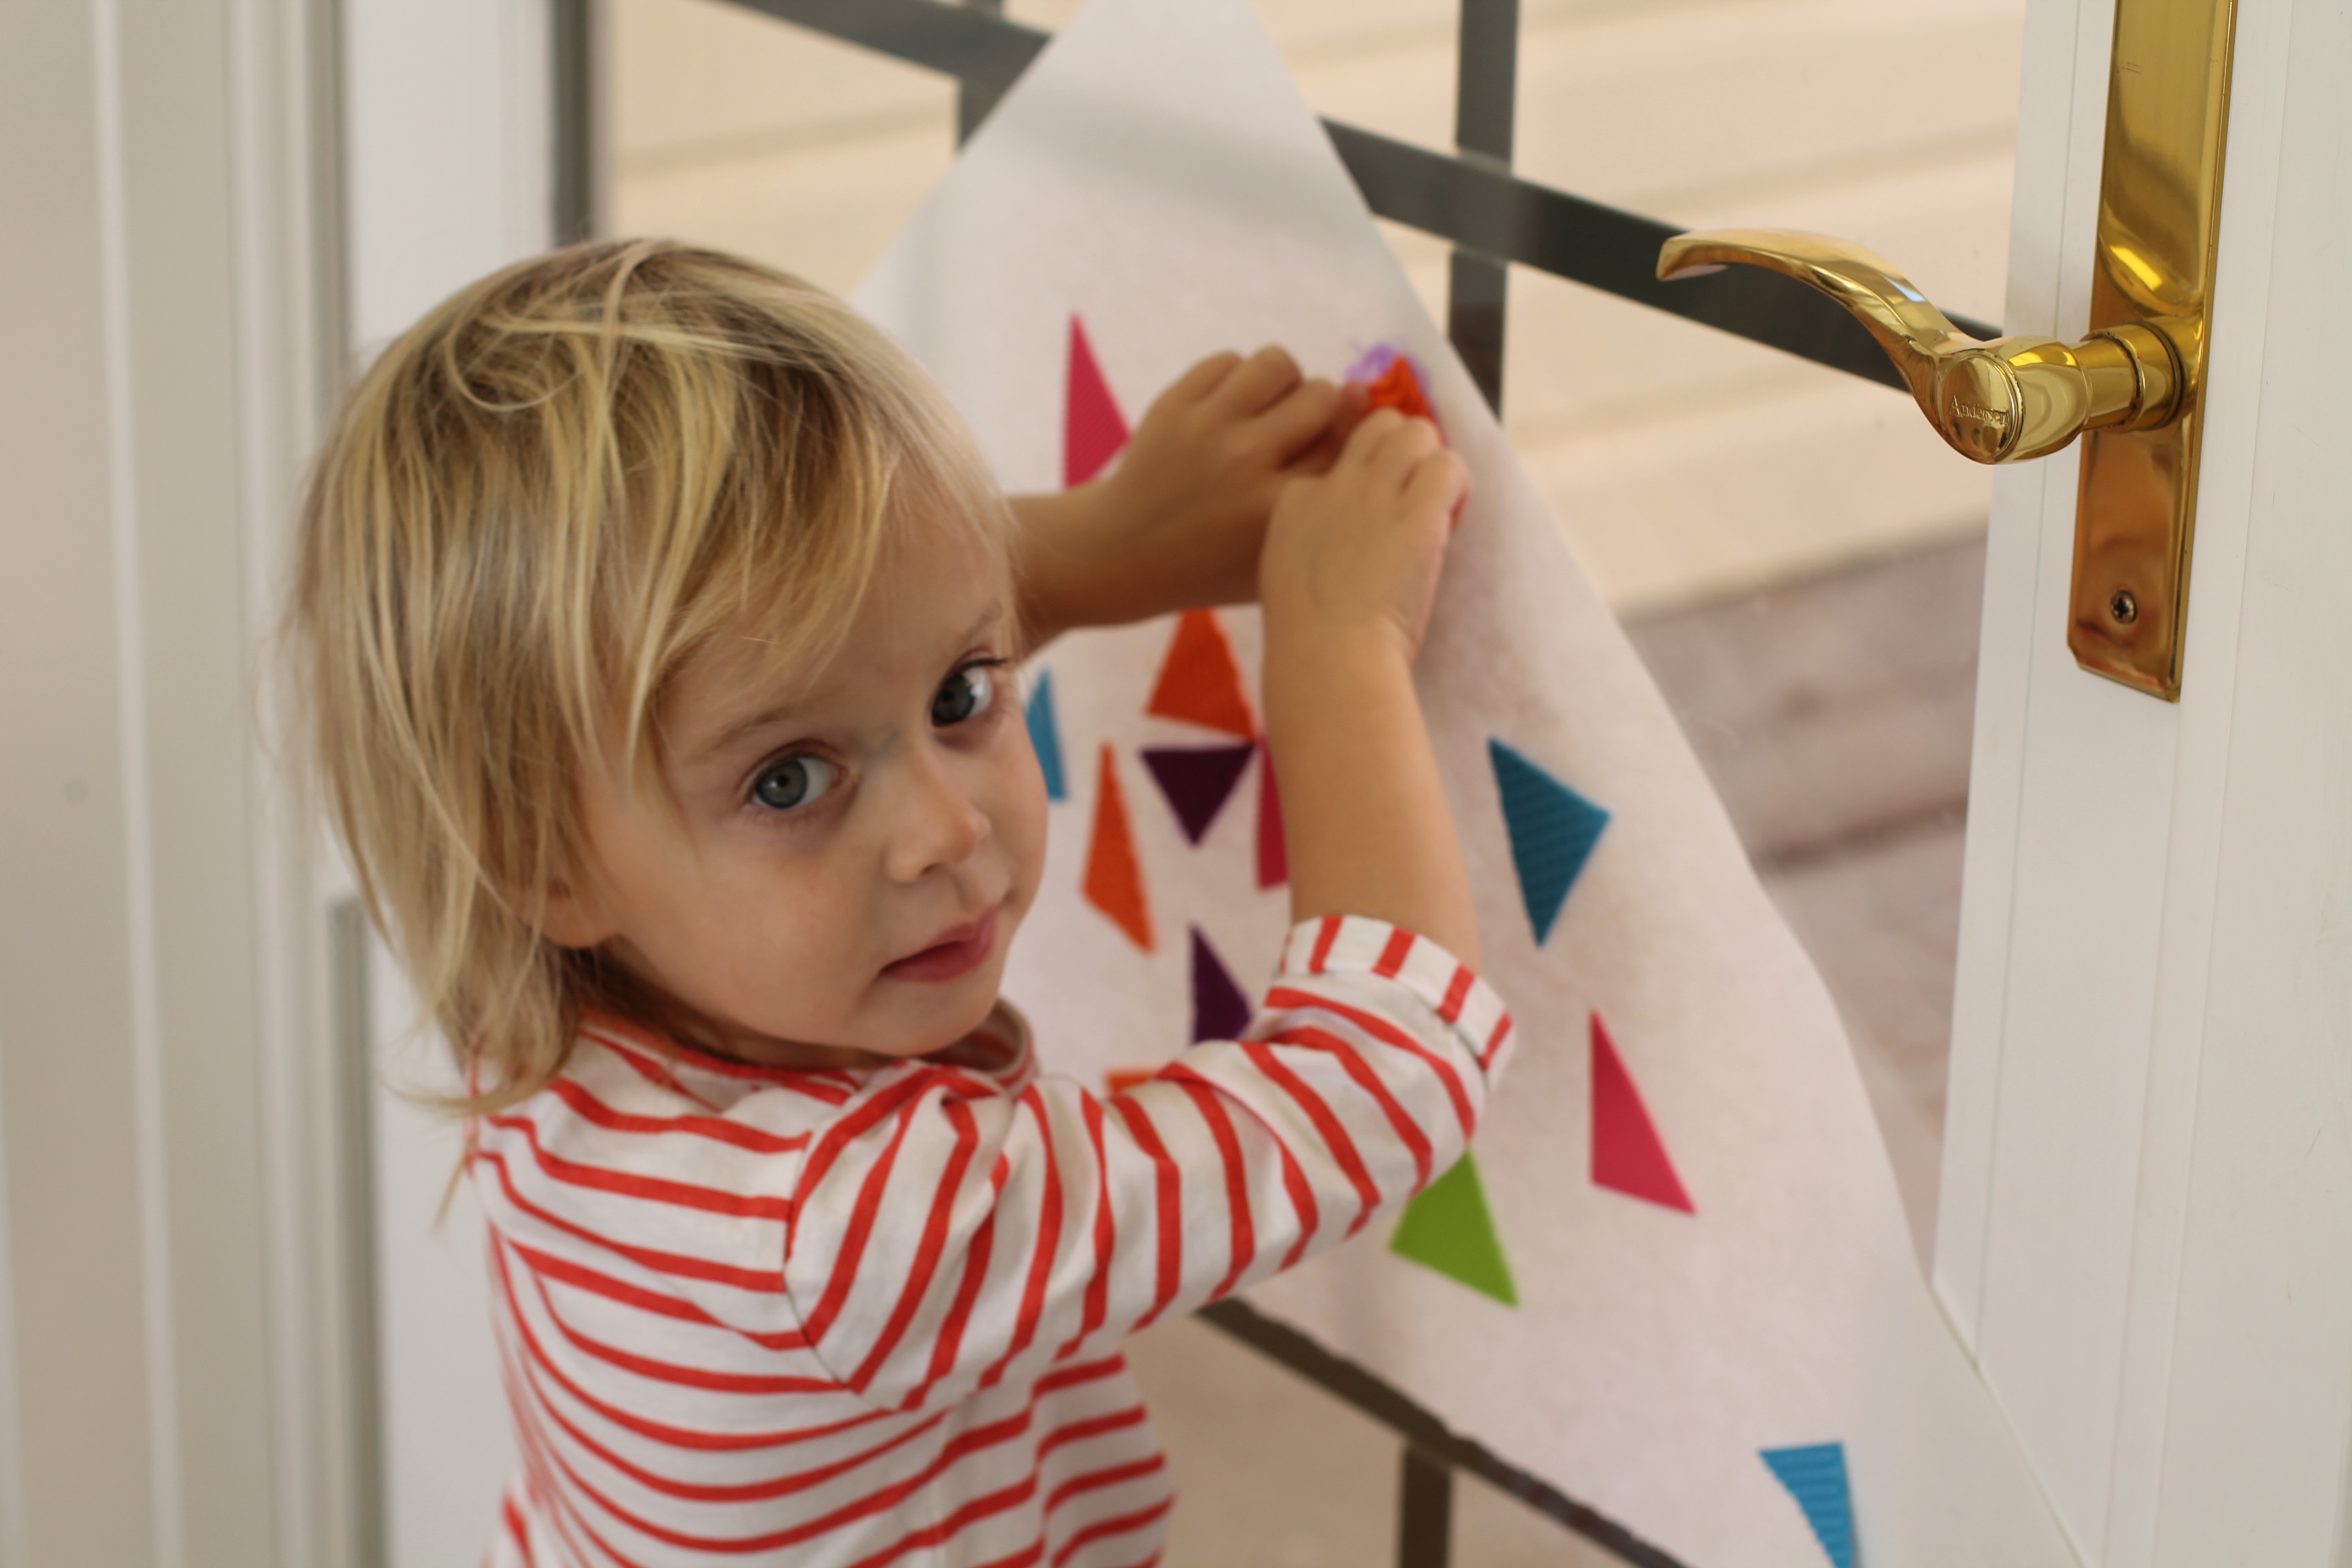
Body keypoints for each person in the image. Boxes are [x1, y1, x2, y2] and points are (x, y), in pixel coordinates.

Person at [290, 238, 1510, 1567]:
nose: (948, 828)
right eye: (789, 779)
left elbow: (836, 639)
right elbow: (1381, 1079)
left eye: (961, 693)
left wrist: (1118, 537)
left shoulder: (528, 1008)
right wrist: (1338, 636)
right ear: (546, 865)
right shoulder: (856, 1228)